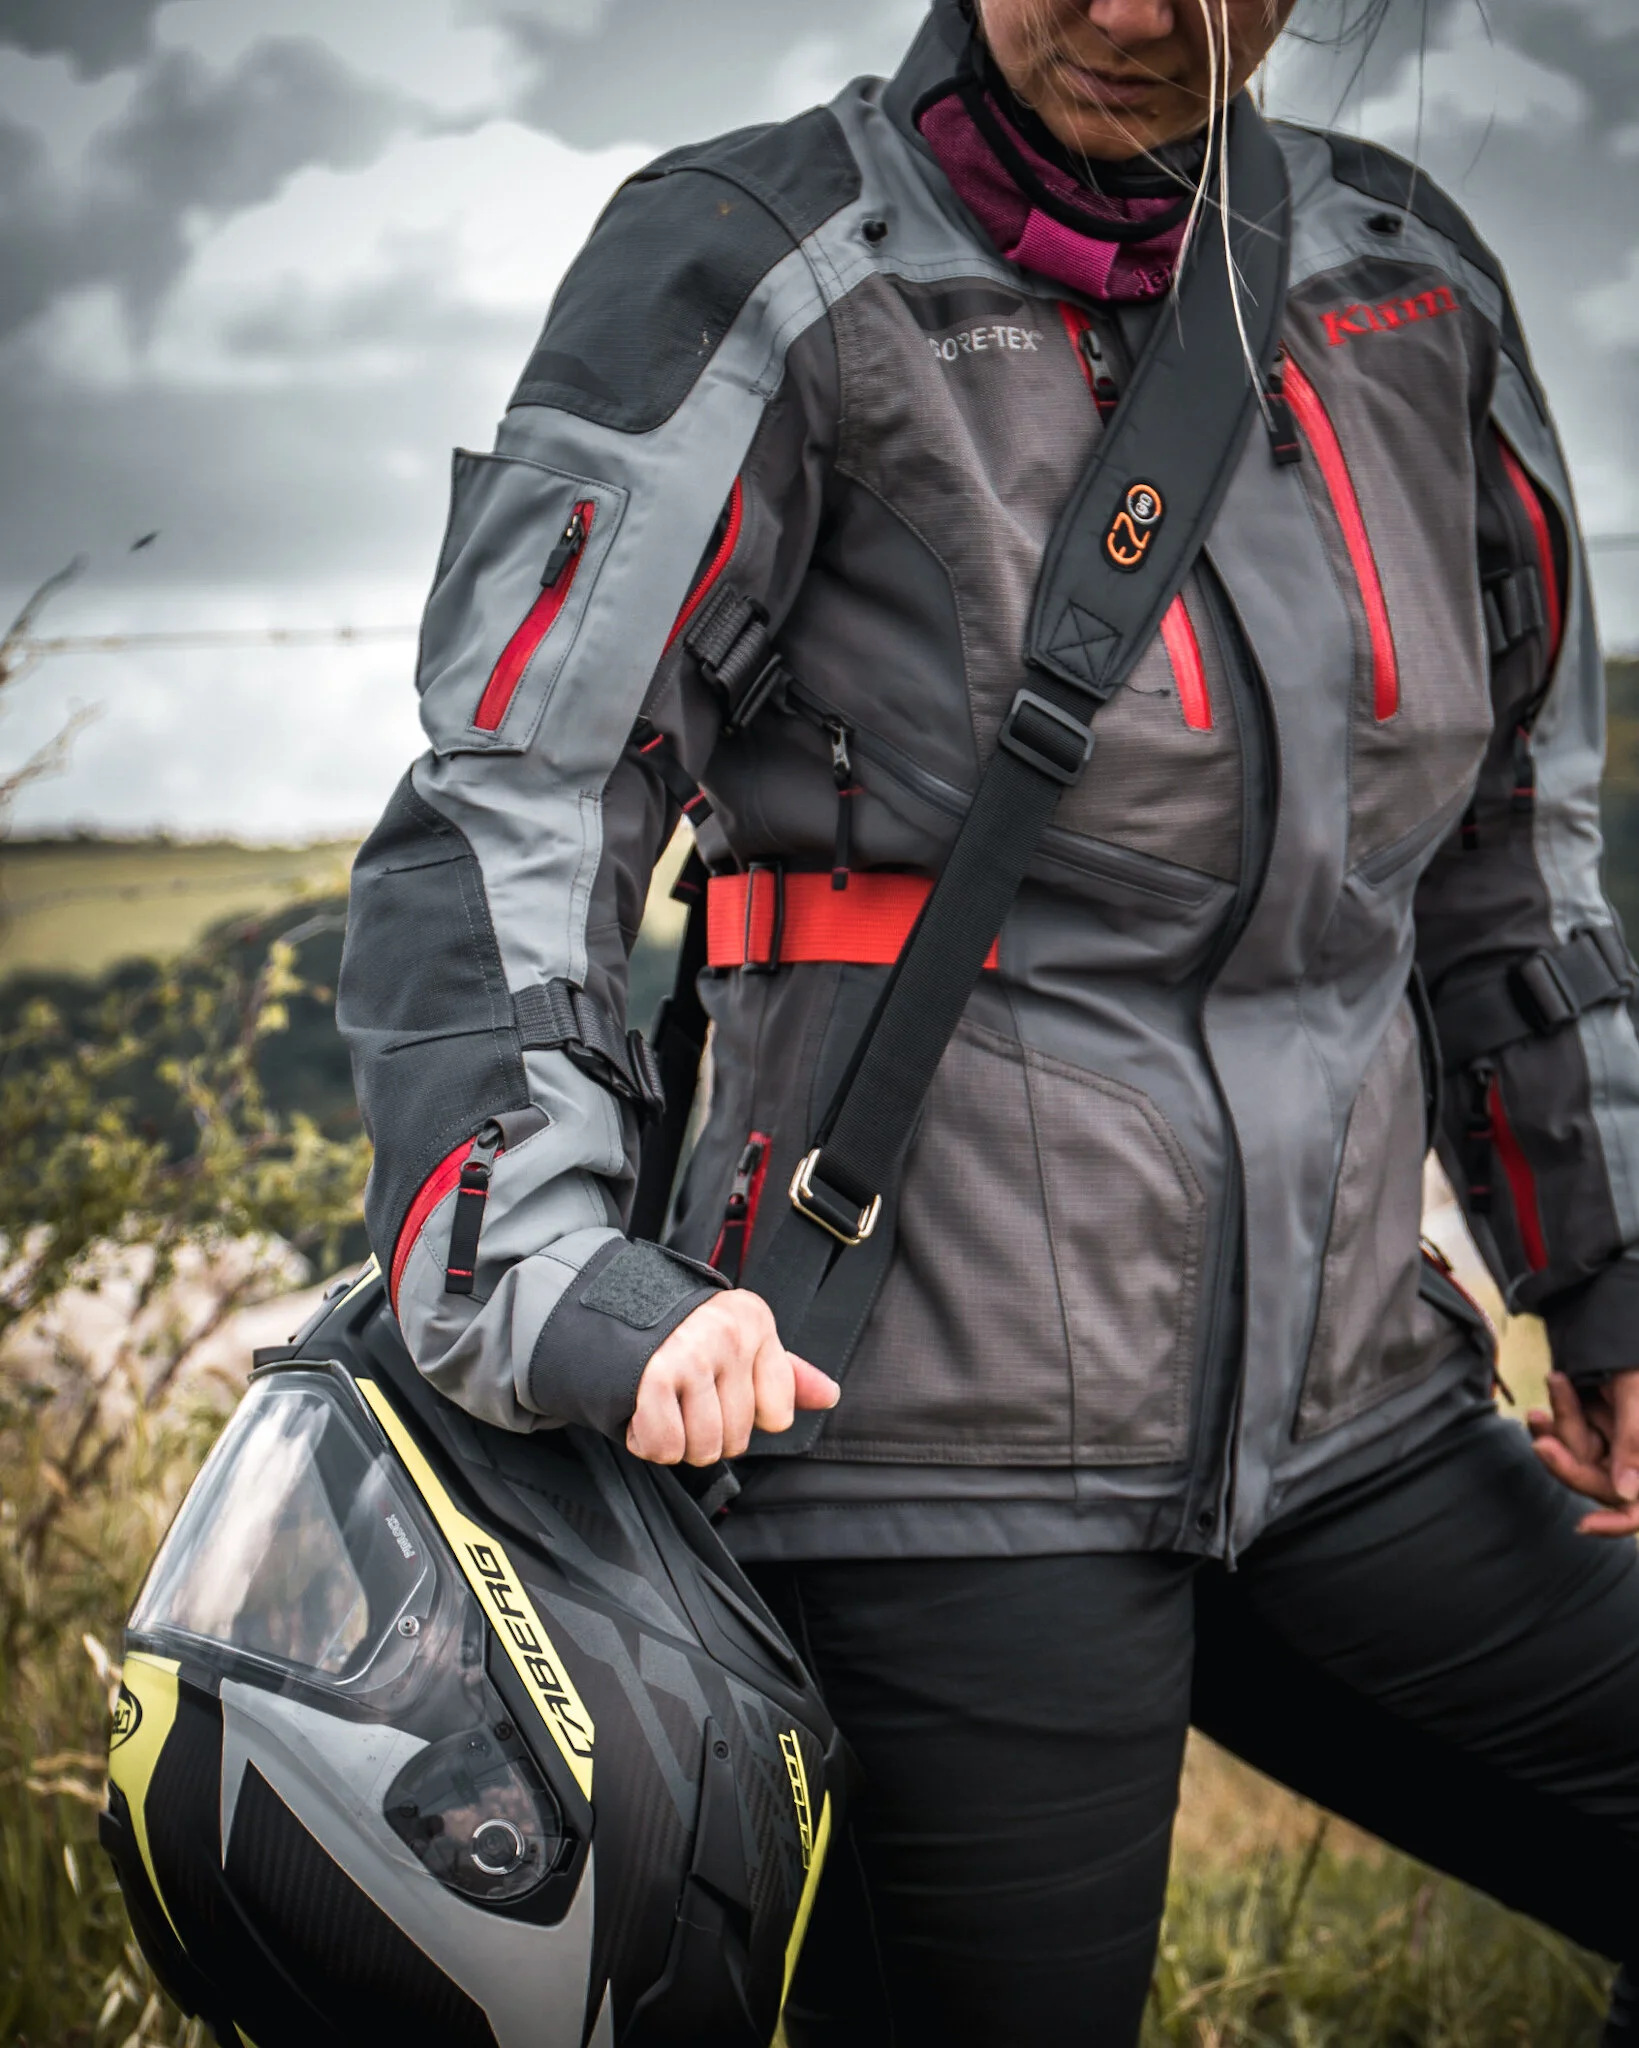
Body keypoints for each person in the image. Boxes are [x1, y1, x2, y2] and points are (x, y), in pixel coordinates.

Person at [336, 0, 1639, 2039]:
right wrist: (567, 1275)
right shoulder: (754, 265)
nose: (1132, 12)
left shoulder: (1413, 284)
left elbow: (1508, 861)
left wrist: (1611, 1281)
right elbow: (512, 801)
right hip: (916, 1439)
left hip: (1360, 1414)